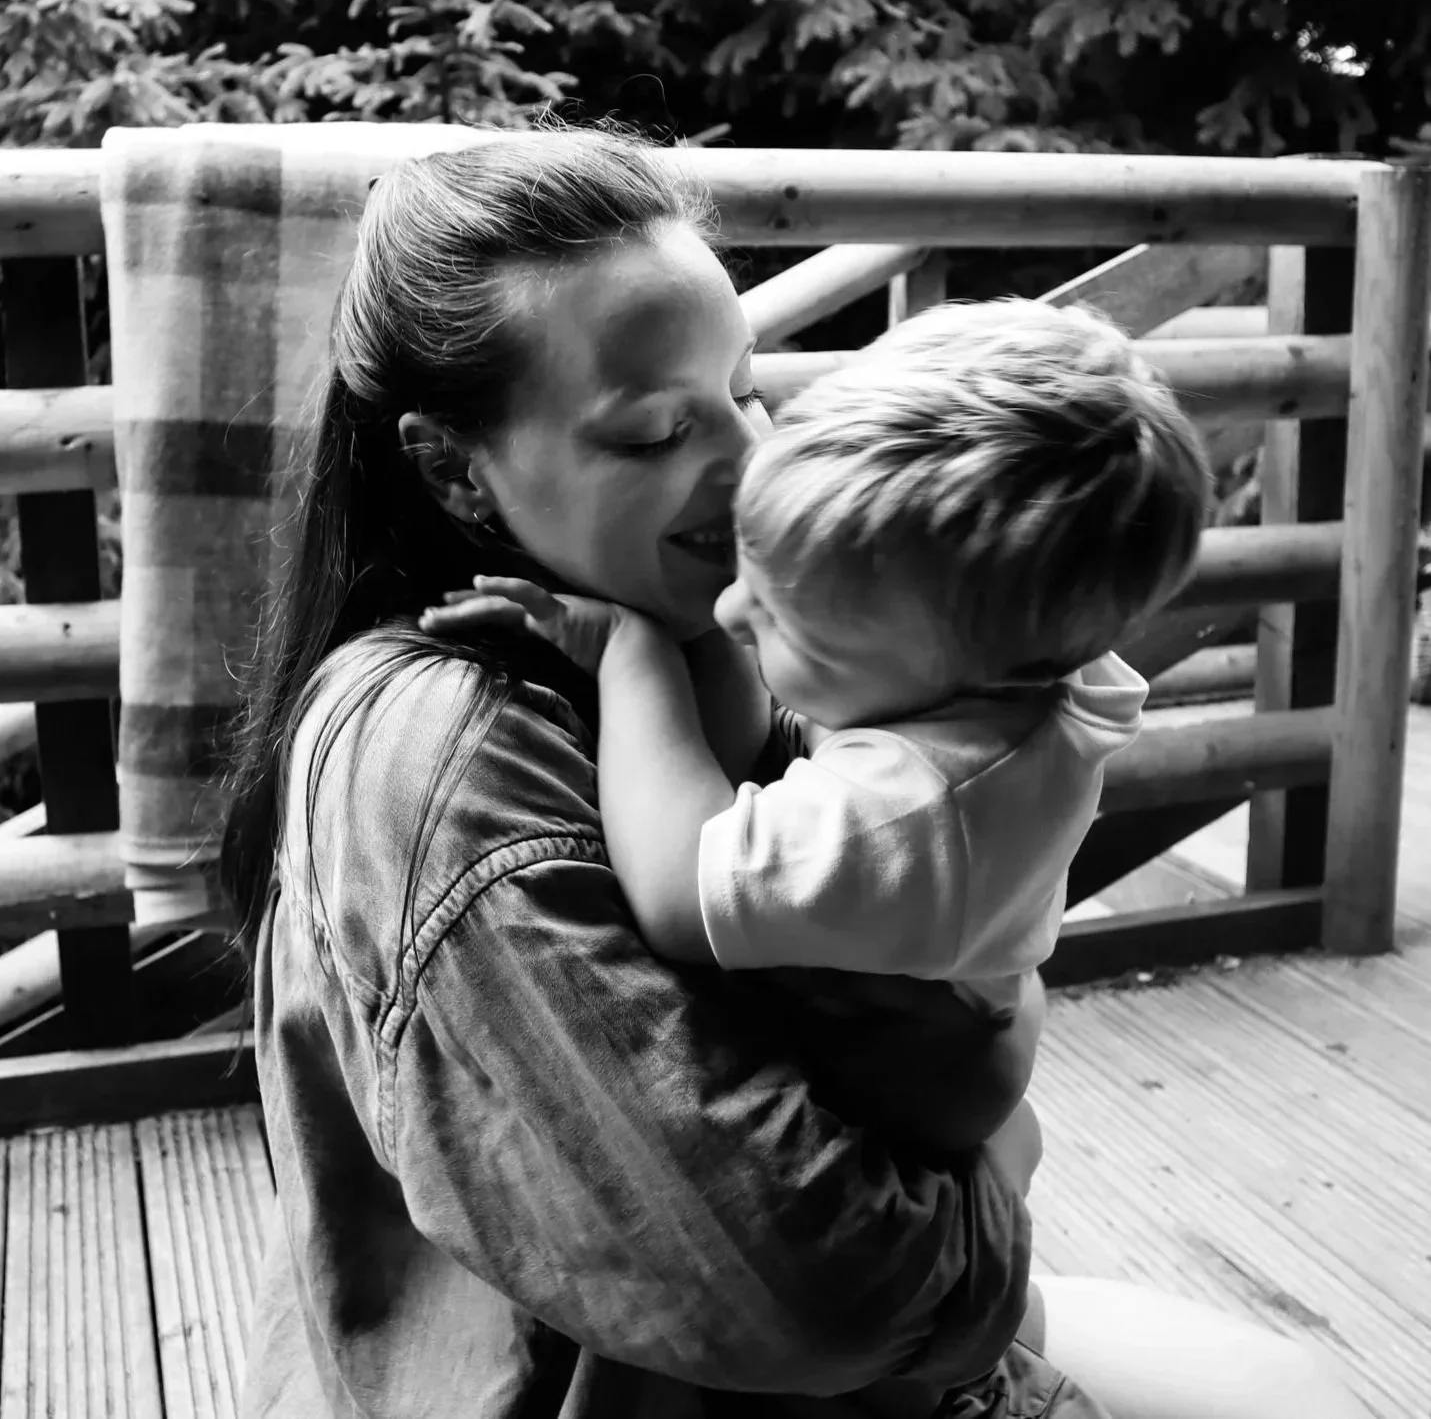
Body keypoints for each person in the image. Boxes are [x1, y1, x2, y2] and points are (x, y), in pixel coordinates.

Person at [221, 123, 1370, 1418]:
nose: (744, 457)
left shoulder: (670, 624)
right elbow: (822, 1292)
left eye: (743, 389)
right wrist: (990, 1168)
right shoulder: (451, 748)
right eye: (656, 431)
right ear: (452, 468)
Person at [422, 297, 1203, 1164]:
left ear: (992, 671)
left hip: (908, 1088)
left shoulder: (906, 812)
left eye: (790, 625)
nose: (729, 611)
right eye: (748, 563)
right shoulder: (1019, 656)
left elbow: (679, 897)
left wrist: (629, 653)